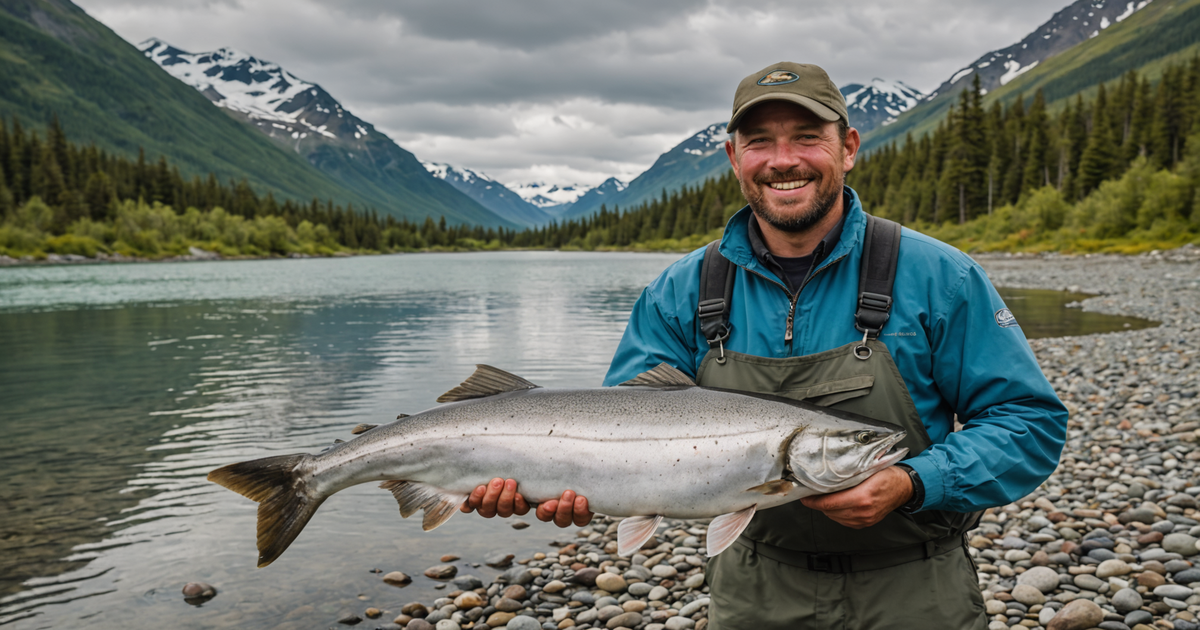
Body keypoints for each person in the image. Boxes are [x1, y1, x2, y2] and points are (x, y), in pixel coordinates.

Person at [462, 61, 1067, 629]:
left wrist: (914, 482)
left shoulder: (941, 276)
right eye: (759, 142)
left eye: (806, 136)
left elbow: (1028, 421)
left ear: (848, 147)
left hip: (916, 585)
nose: (784, 161)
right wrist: (544, 480)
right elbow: (618, 438)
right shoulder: (679, 292)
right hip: (752, 587)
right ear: (733, 157)